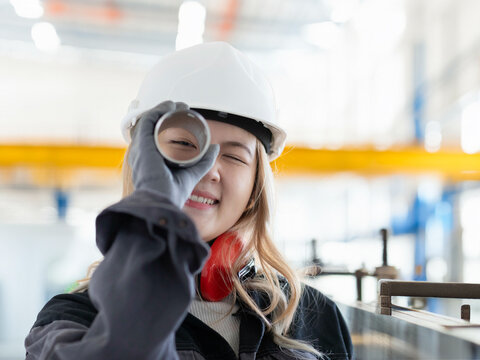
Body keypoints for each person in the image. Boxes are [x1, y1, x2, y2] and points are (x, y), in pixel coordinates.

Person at [25, 42, 353, 360]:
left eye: (235, 156)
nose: (208, 169)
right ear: (140, 163)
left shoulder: (312, 318)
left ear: (255, 186)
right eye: (184, 143)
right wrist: (153, 213)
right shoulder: (73, 321)